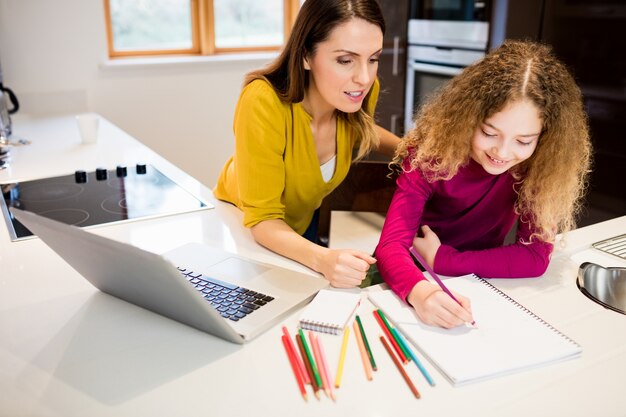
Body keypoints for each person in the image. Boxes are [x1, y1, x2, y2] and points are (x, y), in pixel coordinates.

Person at [375, 40, 592, 329]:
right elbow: (391, 246)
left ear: (544, 137)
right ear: (469, 118)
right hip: (413, 274)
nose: (502, 152)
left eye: (523, 141)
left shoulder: (539, 167)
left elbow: (535, 257)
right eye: (489, 133)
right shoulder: (429, 155)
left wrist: (446, 259)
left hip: (483, 280)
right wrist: (422, 292)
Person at [214, 0, 401, 288]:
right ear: (305, 56)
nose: (364, 77)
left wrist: (409, 151)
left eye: (373, 59)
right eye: (345, 60)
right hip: (245, 228)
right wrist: (323, 259)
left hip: (300, 222)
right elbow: (263, 221)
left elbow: (360, 128)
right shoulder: (263, 103)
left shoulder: (354, 93)